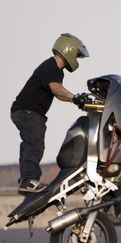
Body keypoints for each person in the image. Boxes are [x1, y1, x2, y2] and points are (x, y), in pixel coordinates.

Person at [11, 33, 89, 194]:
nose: (77, 58)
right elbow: (56, 89)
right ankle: (28, 180)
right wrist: (75, 98)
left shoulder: (55, 70)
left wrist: (75, 101)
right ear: (68, 50)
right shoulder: (51, 66)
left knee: (32, 143)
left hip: (28, 112)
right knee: (34, 143)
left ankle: (27, 179)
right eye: (76, 55)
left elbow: (58, 93)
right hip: (28, 112)